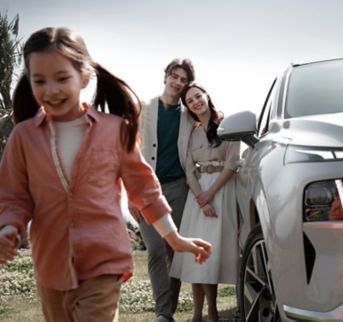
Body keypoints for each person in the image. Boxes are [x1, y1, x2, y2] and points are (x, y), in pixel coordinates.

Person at [0, 27, 211, 322]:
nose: (51, 90)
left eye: (62, 78)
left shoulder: (113, 130)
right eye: (40, 81)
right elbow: (13, 196)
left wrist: (173, 237)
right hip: (50, 265)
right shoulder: (24, 137)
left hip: (103, 261)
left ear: (85, 78)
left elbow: (144, 188)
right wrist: (9, 226)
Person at [128, 57, 196, 322]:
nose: (178, 83)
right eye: (175, 76)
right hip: (145, 190)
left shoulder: (188, 115)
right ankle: (163, 313)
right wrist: (131, 195)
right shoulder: (143, 108)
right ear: (165, 75)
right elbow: (127, 150)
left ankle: (167, 311)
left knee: (173, 250)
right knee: (156, 249)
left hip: (178, 188)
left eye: (183, 80)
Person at [170, 84, 240, 322]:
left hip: (221, 191)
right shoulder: (190, 132)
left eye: (198, 96)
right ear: (188, 107)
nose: (196, 102)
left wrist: (210, 194)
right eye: (190, 101)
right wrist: (201, 198)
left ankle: (212, 311)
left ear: (207, 95)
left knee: (212, 253)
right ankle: (197, 313)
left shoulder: (227, 125)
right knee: (194, 255)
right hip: (197, 197)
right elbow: (189, 168)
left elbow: (232, 163)